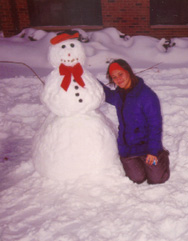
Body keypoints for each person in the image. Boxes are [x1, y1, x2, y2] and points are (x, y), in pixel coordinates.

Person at [101, 59, 170, 184]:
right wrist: (86, 77)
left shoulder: (146, 95)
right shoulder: (118, 95)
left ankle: (161, 156)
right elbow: (106, 94)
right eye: (114, 77)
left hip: (147, 146)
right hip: (128, 147)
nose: (118, 79)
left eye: (120, 74)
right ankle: (139, 162)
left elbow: (155, 125)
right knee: (136, 178)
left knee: (157, 178)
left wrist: (153, 151)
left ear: (128, 71)